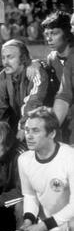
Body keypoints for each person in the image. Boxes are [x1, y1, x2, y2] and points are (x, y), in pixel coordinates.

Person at [19, 107, 74, 231]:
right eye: (27, 130)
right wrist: (28, 220)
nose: (29, 135)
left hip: (68, 221)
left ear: (51, 134)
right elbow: (29, 194)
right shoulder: (24, 160)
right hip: (52, 224)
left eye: (35, 131)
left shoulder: (69, 157)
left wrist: (43, 226)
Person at [0, 39, 48, 141]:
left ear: (23, 58)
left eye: (10, 57)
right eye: (3, 58)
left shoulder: (36, 72)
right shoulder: (3, 76)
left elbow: (33, 102)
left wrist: (23, 127)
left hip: (43, 129)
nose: (5, 62)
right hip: (22, 127)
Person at [43, 11, 74, 143]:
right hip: (63, 114)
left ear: (67, 34)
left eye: (54, 33)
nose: (49, 38)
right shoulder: (52, 58)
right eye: (47, 34)